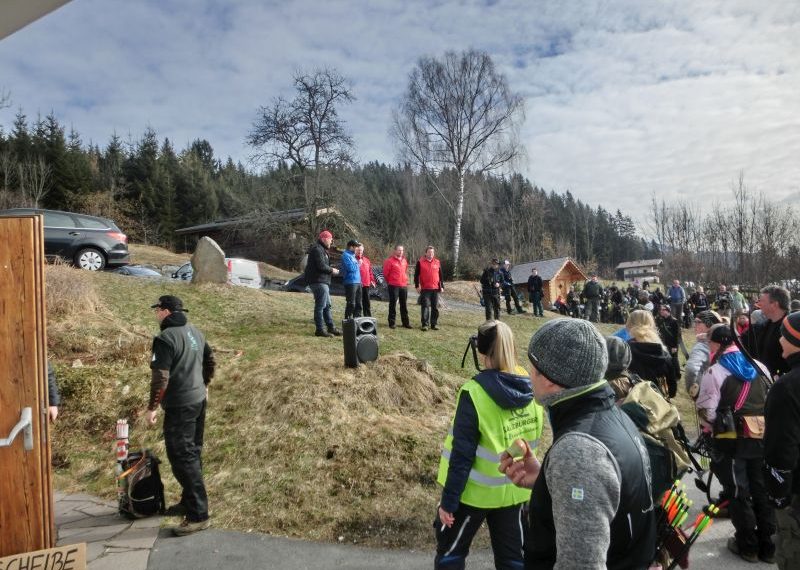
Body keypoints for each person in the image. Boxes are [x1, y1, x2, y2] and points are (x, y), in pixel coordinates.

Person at [500, 318, 656, 569]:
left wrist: (568, 469)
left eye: (532, 368)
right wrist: (547, 480)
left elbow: (581, 564)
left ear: (549, 379)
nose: (528, 375)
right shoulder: (613, 414)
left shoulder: (579, 451)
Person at [435, 321, 544, 570]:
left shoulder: (474, 393)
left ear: (481, 352)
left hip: (472, 495)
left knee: (450, 556)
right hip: (516, 491)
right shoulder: (531, 385)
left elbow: (462, 456)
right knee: (514, 561)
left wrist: (448, 502)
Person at [695, 324, 775, 563]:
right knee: (761, 489)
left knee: (739, 491)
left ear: (717, 343)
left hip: (731, 441)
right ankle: (768, 546)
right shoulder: (760, 366)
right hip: (761, 436)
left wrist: (711, 427)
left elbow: (707, 412)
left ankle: (747, 545)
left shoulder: (715, 371)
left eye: (709, 342)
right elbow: (770, 398)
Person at [146, 295, 215, 536]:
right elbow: (210, 360)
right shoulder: (195, 332)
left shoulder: (165, 338)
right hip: (198, 401)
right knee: (192, 453)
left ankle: (198, 515)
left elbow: (160, 377)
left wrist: (152, 407)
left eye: (157, 310)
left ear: (165, 311)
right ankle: (188, 502)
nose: (156, 314)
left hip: (180, 405)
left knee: (182, 457)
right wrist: (205, 384)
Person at [763, 311, 800, 569]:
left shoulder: (787, 388)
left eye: (783, 335)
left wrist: (778, 496)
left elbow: (780, 450)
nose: (779, 341)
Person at [626, 309, 677, 398]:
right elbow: (672, 390)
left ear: (629, 324)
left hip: (631, 401)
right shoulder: (663, 352)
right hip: (658, 402)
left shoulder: (626, 351)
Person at [744, 285, 791, 379]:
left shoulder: (792, 328)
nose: (759, 304)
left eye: (762, 301)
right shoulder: (765, 325)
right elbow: (746, 338)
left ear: (774, 305)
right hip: (765, 379)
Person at [304, 230, 341, 337]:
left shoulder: (322, 250)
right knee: (321, 305)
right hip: (318, 281)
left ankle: (331, 327)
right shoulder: (317, 249)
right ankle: (320, 329)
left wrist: (331, 268)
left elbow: (323, 265)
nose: (331, 242)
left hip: (322, 281)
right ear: (324, 239)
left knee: (327, 305)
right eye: (330, 239)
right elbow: (321, 266)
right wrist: (332, 270)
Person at [684, 310, 722, 398]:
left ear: (709, 324)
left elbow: (691, 369)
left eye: (698, 322)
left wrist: (692, 390)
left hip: (706, 392)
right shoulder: (722, 341)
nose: (695, 325)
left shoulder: (702, 345)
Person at [414, 245, 444, 331]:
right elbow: (416, 275)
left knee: (435, 307)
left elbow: (440, 275)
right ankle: (425, 324)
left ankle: (434, 324)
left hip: (435, 288)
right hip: (425, 289)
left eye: (432, 252)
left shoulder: (437, 262)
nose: (431, 254)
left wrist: (442, 286)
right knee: (425, 306)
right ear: (426, 253)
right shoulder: (420, 262)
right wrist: (417, 286)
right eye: (429, 252)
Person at [383, 245, 411, 330]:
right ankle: (392, 322)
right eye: (399, 250)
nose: (401, 252)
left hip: (403, 285)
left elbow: (405, 271)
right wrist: (391, 281)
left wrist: (405, 281)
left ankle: (405, 323)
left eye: (402, 250)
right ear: (395, 251)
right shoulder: (389, 261)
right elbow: (386, 274)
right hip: (393, 285)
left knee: (404, 304)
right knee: (393, 304)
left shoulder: (404, 261)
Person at [341, 239, 362, 320]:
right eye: (356, 247)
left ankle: (357, 321)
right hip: (350, 282)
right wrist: (358, 264)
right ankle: (348, 320)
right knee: (351, 303)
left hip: (358, 282)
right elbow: (351, 268)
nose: (357, 249)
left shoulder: (353, 256)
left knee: (358, 303)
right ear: (351, 247)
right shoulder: (345, 255)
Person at [355, 244, 376, 318]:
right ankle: (357, 317)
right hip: (357, 284)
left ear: (363, 250)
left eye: (361, 250)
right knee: (358, 302)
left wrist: (372, 281)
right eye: (358, 250)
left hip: (366, 284)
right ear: (356, 250)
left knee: (366, 301)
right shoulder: (353, 259)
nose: (360, 251)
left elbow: (370, 272)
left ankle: (368, 317)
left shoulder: (367, 260)